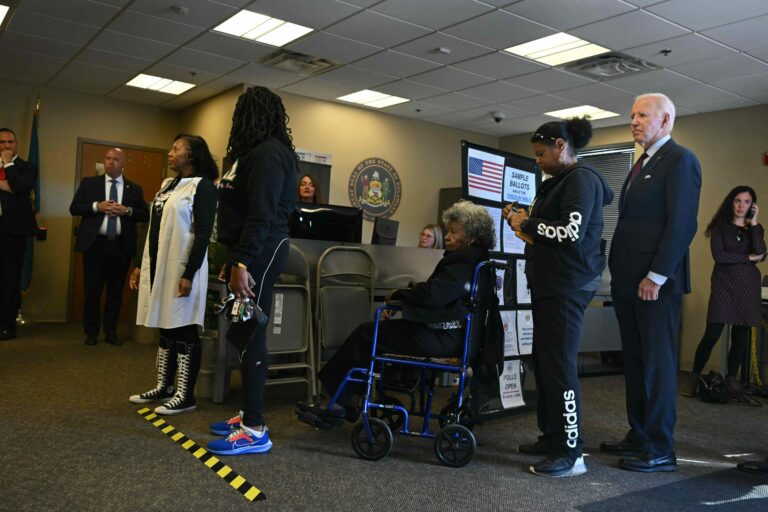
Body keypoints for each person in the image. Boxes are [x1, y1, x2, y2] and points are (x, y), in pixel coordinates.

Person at [297, 200, 494, 424]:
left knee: (366, 334)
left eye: (454, 232)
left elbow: (433, 295)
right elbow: (438, 294)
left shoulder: (463, 264)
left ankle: (335, 400)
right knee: (374, 334)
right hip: (454, 336)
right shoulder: (477, 261)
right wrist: (411, 293)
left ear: (472, 237)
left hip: (441, 339)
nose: (447, 237)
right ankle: (346, 398)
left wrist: (399, 297)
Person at [503, 117, 613, 478]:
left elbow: (569, 232)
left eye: (540, 153)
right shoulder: (556, 183)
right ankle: (552, 437)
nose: (537, 159)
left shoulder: (580, 180)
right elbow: (546, 237)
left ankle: (571, 452)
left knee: (561, 366)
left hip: (567, 286)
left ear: (560, 146)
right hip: (549, 284)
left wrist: (527, 223)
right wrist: (521, 224)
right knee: (546, 361)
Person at [600, 93, 701, 473]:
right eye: (632, 115)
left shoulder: (680, 160)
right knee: (636, 363)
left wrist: (656, 275)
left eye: (643, 114)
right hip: (629, 283)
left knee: (657, 366)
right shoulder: (640, 163)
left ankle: (661, 449)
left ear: (666, 121)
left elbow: (682, 223)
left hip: (655, 284)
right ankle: (639, 434)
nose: (634, 121)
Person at [206, 86, 299, 455]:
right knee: (244, 330)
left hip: (262, 250)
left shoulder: (268, 155)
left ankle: (255, 429)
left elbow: (261, 214)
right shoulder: (252, 154)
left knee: (251, 332)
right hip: (249, 251)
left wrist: (243, 260)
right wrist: (232, 260)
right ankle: (249, 413)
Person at [127, 134, 218, 415]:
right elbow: (155, 229)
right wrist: (141, 265)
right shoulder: (167, 185)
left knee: (184, 327)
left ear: (191, 156)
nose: (170, 153)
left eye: (176, 149)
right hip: (159, 266)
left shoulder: (202, 187)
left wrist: (189, 272)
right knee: (166, 326)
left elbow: (203, 233)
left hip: (182, 267)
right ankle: (164, 386)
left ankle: (185, 395)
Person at [681, 187, 765, 396]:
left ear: (752, 206)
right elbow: (720, 257)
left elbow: (761, 252)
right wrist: (747, 258)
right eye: (738, 201)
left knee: (740, 336)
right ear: (731, 202)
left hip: (748, 288)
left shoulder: (756, 229)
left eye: (747, 202)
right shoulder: (720, 228)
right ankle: (693, 378)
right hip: (724, 286)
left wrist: (754, 224)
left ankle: (731, 379)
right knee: (712, 334)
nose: (741, 206)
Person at [69, 147, 148, 345]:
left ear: (123, 164)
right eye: (107, 158)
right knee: (92, 291)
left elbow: (144, 214)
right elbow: (74, 208)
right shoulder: (90, 184)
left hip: (121, 247)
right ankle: (91, 332)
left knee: (115, 292)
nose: (110, 162)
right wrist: (97, 206)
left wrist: (127, 210)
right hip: (95, 245)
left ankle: (111, 331)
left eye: (115, 159)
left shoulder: (134, 189)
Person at [0, 128, 38, 341]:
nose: (6, 146)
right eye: (2, 142)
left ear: (16, 144)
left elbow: (22, 188)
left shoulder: (27, 167)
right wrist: (6, 186)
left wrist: (8, 164)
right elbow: (13, 189)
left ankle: (7, 325)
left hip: (13, 232)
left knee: (10, 279)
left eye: (10, 142)